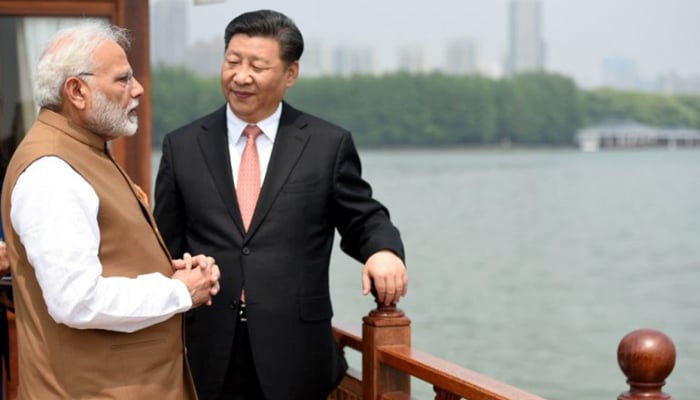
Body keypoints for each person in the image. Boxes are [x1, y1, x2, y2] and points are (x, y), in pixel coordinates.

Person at [154, 9, 408, 400]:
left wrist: (383, 251)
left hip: (297, 355)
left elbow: (364, 217)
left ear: (291, 74)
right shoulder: (183, 145)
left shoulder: (326, 144)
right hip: (204, 352)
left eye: (257, 66)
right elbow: (162, 247)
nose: (241, 76)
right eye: (232, 61)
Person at [0, 21, 221, 399]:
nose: (138, 89)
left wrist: (169, 271)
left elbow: (101, 258)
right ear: (76, 91)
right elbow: (77, 300)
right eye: (123, 79)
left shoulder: (84, 148)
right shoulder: (51, 171)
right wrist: (177, 291)